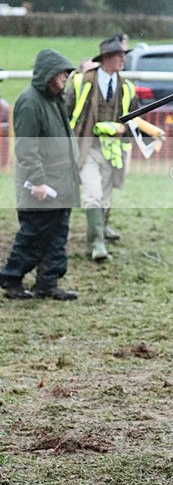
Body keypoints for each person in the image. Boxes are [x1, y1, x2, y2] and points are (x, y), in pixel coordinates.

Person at [0, 49, 80, 301]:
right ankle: (11, 279)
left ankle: (48, 283)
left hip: (61, 185)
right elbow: (26, 147)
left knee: (57, 236)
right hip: (41, 186)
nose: (65, 78)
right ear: (48, 74)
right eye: (62, 74)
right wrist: (38, 181)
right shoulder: (29, 102)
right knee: (33, 235)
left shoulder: (53, 99)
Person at [66, 36, 138, 262]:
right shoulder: (83, 81)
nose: (123, 59)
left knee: (106, 194)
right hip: (87, 147)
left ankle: (102, 231)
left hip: (113, 151)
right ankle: (95, 243)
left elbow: (133, 119)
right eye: (120, 55)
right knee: (93, 193)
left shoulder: (126, 87)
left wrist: (124, 130)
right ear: (107, 58)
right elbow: (66, 110)